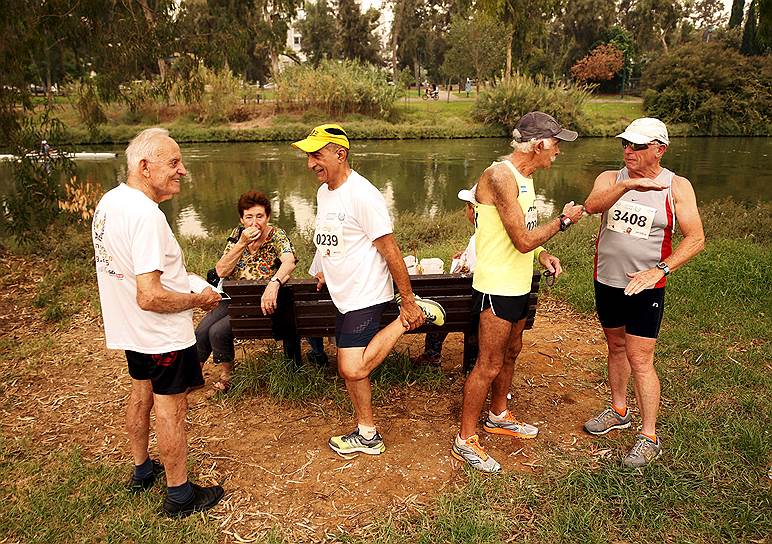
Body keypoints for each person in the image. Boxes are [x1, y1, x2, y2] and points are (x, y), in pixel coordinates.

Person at [92, 128, 224, 517]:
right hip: (161, 335)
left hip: (131, 330)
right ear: (144, 166)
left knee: (140, 394)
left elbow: (130, 272)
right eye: (174, 163)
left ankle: (141, 470)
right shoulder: (147, 216)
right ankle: (180, 495)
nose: (182, 170)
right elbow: (149, 295)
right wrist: (199, 300)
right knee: (171, 410)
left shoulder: (110, 202)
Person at [292, 123, 446, 456]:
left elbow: (389, 248)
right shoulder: (324, 193)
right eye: (308, 157)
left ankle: (413, 315)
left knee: (351, 367)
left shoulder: (363, 195)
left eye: (316, 155)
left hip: (366, 294)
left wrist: (406, 301)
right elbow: (330, 236)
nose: (310, 164)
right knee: (353, 372)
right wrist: (320, 268)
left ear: (340, 153)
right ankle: (367, 433)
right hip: (343, 294)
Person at [452, 112, 585, 472]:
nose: (558, 153)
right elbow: (522, 239)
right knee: (489, 363)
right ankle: (464, 439)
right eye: (556, 145)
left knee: (512, 352)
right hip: (496, 286)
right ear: (539, 144)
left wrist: (544, 254)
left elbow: (521, 235)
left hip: (519, 283)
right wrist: (563, 221)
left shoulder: (526, 178)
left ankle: (498, 414)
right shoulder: (500, 176)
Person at [583, 118, 704, 467]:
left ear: (659, 149)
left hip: (646, 286)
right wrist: (629, 185)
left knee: (641, 358)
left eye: (637, 146)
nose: (628, 150)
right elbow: (592, 206)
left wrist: (660, 269)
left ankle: (649, 436)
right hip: (607, 280)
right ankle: (619, 410)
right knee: (616, 347)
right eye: (625, 143)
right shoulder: (610, 179)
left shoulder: (676, 186)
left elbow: (695, 238)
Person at [195, 191, 297, 394]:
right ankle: (193, 376)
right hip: (233, 298)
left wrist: (274, 283)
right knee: (202, 330)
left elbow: (290, 261)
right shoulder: (237, 235)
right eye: (249, 217)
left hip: (261, 301)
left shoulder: (276, 235)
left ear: (267, 217)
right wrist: (242, 243)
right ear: (242, 219)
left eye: (259, 216)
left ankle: (226, 377)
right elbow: (221, 271)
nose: (255, 222)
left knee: (217, 331)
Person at [412, 184, 477, 367]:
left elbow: (465, 272)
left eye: (467, 207)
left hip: (464, 306)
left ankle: (431, 355)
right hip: (479, 304)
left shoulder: (476, 240)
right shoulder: (488, 237)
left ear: (473, 211)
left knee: (440, 302)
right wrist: (464, 255)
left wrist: (461, 265)